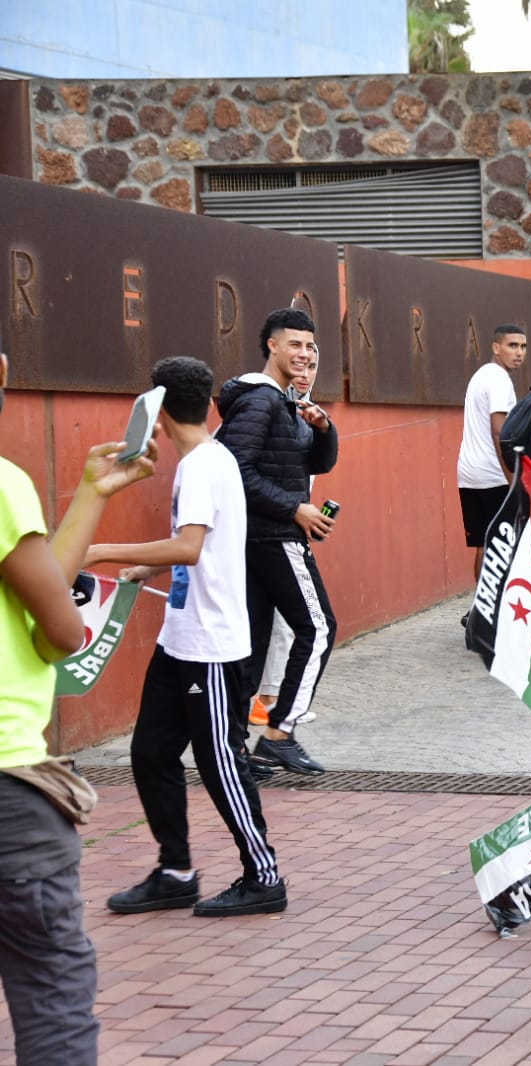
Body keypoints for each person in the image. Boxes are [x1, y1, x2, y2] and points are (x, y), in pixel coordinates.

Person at [86, 358, 286, 918]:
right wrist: (144, 570)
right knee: (151, 752)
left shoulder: (202, 465)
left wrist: (100, 551)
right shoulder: (202, 459)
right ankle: (175, 872)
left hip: (212, 648)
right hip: (181, 637)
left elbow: (189, 546)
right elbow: (196, 547)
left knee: (221, 762)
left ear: (159, 405)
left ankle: (264, 876)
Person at [1, 350, 156, 1065]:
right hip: (9, 788)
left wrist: (92, 496)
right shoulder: (2, 484)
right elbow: (57, 631)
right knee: (50, 988)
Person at [215, 308, 339, 776]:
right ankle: (280, 733)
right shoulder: (261, 401)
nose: (304, 353)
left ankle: (233, 747)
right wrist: (294, 508)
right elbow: (234, 471)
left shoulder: (285, 403)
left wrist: (325, 430)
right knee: (319, 628)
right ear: (271, 345)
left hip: (259, 538)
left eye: (309, 346)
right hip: (273, 536)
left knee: (252, 643)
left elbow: (316, 463)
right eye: (295, 344)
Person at [250, 346, 321, 731]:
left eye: (313, 366)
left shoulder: (309, 418)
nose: (306, 374)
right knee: (307, 624)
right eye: (301, 365)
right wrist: (293, 511)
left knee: (286, 623)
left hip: (292, 532)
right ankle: (273, 706)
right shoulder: (261, 410)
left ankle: (273, 703)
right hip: (269, 535)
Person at [457, 324, 528, 579]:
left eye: (523, 346)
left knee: (484, 543)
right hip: (493, 474)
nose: (519, 352)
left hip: (468, 474)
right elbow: (500, 432)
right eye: (512, 346)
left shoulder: (481, 375)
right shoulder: (499, 379)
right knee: (502, 543)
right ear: (496, 347)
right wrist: (512, 479)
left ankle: (479, 610)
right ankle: (493, 609)